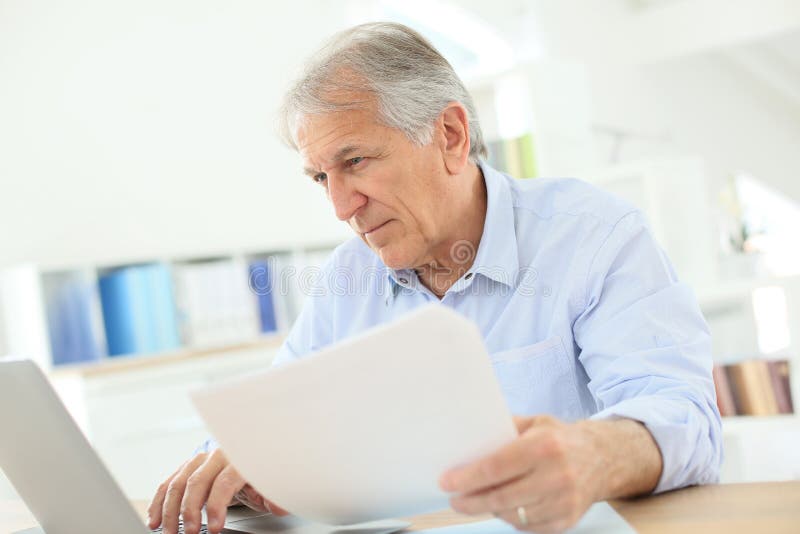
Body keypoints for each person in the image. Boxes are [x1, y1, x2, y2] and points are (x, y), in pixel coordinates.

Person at [148, 22, 722, 534]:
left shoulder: (594, 237)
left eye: (354, 162)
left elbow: (683, 416)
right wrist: (249, 459)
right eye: (321, 177)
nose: (342, 207)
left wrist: (594, 455)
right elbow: (269, 419)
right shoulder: (349, 278)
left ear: (450, 134)